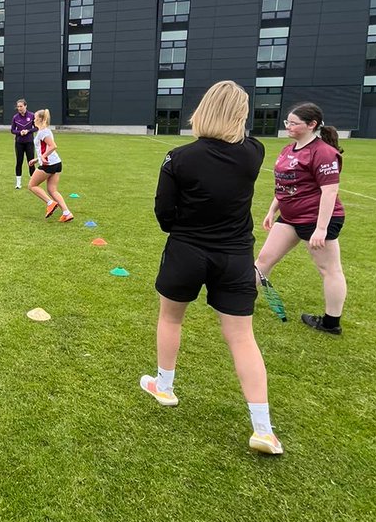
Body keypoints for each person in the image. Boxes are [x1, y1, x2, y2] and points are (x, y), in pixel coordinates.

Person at [140, 80, 282, 455]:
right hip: (234, 256)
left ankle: (165, 386)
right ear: (240, 115)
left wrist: (185, 228)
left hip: (187, 251)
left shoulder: (179, 158)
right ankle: (263, 429)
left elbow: (163, 212)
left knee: (171, 318)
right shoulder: (253, 152)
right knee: (242, 337)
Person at [255, 102, 347, 335]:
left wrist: (321, 228)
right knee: (264, 259)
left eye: (294, 123)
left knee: (329, 269)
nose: (288, 126)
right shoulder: (288, 149)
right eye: (288, 122)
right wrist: (272, 210)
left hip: (316, 219)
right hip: (289, 217)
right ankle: (240, 301)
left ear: (311, 125)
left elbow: (330, 192)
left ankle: (331, 323)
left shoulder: (323, 152)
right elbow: (285, 185)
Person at [27, 109, 74, 222]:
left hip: (48, 164)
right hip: (56, 163)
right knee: (52, 190)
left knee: (32, 185)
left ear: (40, 119)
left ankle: (50, 203)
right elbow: (46, 148)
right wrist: (37, 159)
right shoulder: (45, 131)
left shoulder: (43, 132)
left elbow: (53, 146)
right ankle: (67, 213)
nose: (33, 120)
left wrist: (43, 157)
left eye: (35, 118)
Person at [10, 98, 36, 189]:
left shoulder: (32, 115)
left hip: (29, 142)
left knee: (31, 162)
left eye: (21, 106)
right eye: (18, 107)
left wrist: (28, 131)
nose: (19, 108)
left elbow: (36, 127)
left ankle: (33, 182)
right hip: (19, 143)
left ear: (25, 106)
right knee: (19, 162)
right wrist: (19, 132)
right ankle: (18, 183)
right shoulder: (15, 117)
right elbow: (12, 130)